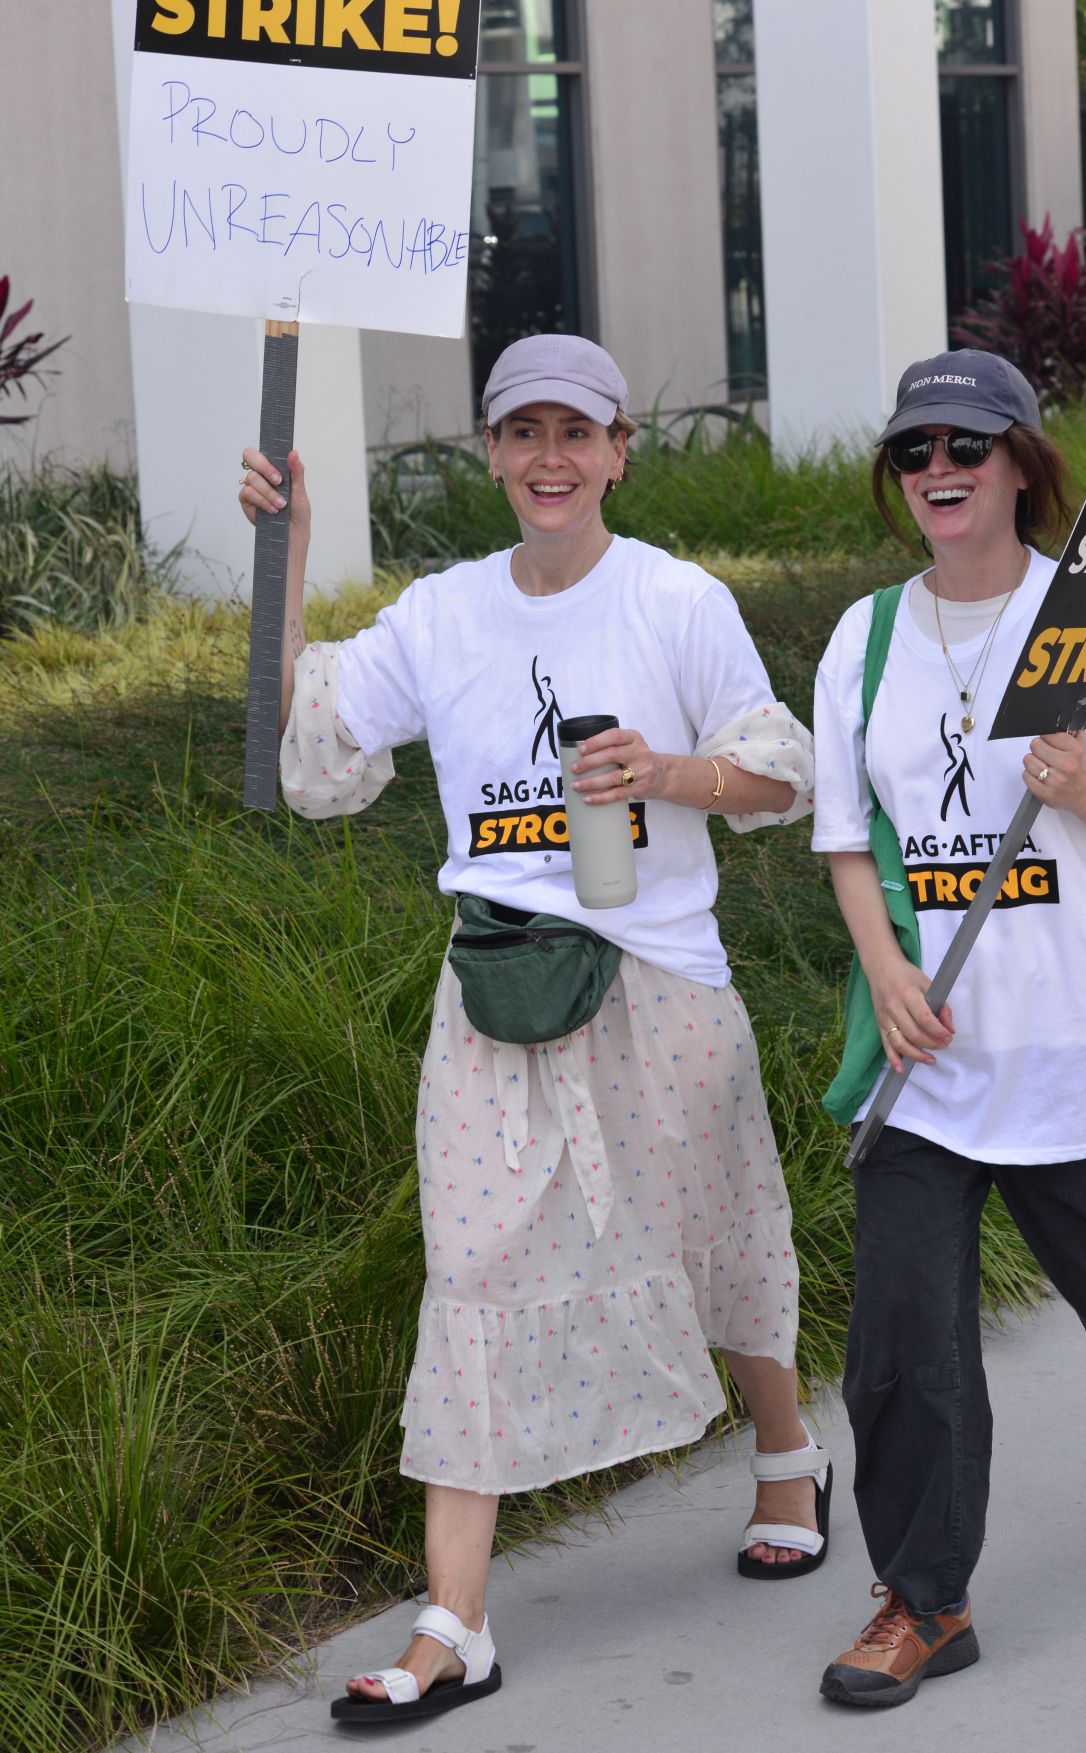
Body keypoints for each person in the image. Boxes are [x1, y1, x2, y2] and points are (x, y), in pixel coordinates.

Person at [238, 334, 828, 1726]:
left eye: (577, 431)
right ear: (493, 454)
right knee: (478, 1272)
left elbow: (779, 772)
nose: (549, 457)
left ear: (622, 448)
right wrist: (294, 555)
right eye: (522, 433)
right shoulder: (443, 612)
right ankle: (456, 1624)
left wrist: (666, 769)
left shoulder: (677, 600)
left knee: (717, 1231)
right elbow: (320, 759)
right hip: (496, 991)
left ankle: (790, 1451)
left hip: (660, 974)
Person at [811, 347, 1086, 1709]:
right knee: (903, 1332)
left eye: (966, 449)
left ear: (1024, 466)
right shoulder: (860, 641)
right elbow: (849, 841)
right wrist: (886, 970)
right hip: (931, 1060)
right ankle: (926, 1598)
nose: (938, 473)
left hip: (1074, 1037)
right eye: (914, 451)